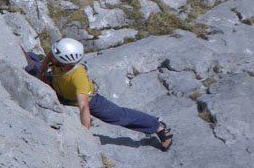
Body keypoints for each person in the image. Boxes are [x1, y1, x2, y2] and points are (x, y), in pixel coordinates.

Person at [33, 38, 173, 151]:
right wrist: (41, 73)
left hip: (86, 100)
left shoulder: (78, 77)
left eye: (55, 56)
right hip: (58, 87)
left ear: (64, 61)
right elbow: (49, 57)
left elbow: (83, 107)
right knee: (31, 64)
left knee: (118, 115)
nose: (51, 56)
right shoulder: (59, 57)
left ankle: (158, 127)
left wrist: (84, 135)